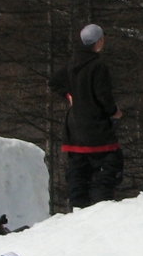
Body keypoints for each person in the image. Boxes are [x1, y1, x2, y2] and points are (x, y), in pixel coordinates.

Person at [49, 24, 123, 209]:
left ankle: (78, 208)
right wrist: (114, 111)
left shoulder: (72, 64)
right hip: (97, 128)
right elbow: (103, 95)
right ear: (98, 41)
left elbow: (54, 82)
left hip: (74, 129)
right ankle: (101, 206)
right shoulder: (98, 66)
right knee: (108, 166)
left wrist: (68, 95)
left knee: (78, 172)